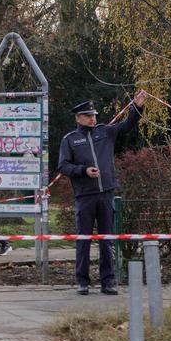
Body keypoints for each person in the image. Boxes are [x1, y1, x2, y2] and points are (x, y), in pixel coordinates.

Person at [58, 91, 147, 295]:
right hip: (84, 196)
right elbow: (63, 166)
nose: (92, 118)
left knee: (107, 240)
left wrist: (137, 107)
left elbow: (127, 126)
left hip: (106, 193)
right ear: (78, 118)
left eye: (94, 115)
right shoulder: (70, 140)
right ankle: (82, 281)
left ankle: (108, 281)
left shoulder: (105, 132)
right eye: (88, 115)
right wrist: (83, 171)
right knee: (84, 240)